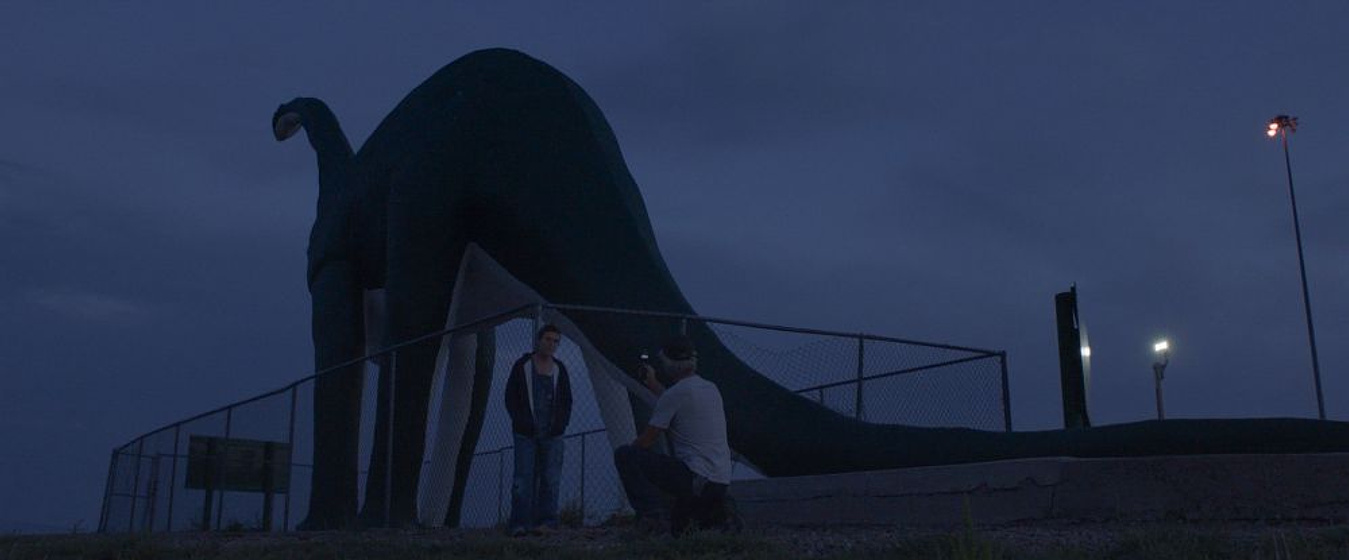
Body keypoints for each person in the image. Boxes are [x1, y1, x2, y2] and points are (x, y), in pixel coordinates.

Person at [614, 335, 733, 535]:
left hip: (693, 477)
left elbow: (646, 441)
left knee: (626, 455)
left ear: (668, 364)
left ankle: (651, 516)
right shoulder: (710, 388)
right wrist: (652, 384)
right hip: (719, 479)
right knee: (681, 530)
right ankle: (719, 513)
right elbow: (676, 402)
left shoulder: (674, 395)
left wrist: (634, 453)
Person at [504, 324, 573, 535]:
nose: (551, 344)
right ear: (538, 340)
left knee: (551, 479)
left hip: (552, 435)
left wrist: (560, 424)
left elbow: (567, 400)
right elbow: (510, 397)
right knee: (523, 479)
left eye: (555, 341)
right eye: (548, 339)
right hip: (526, 434)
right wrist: (521, 421)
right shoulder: (523, 365)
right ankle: (519, 524)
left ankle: (547, 523)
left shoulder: (560, 368)